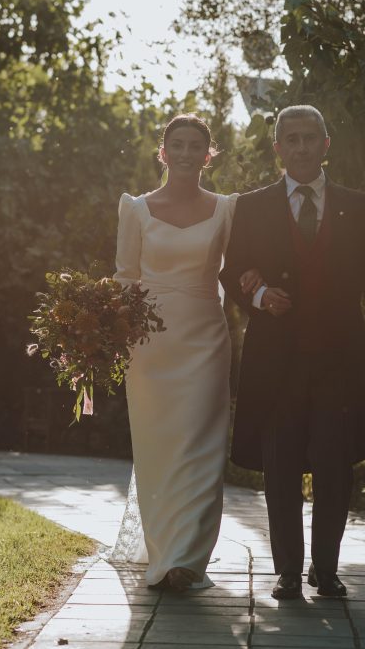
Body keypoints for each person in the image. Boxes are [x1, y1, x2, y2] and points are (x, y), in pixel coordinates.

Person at [219, 104, 365, 600]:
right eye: (290, 139)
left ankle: (327, 568)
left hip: (339, 360)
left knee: (333, 465)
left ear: (326, 144)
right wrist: (257, 296)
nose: (300, 147)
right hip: (277, 362)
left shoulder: (359, 206)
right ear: (277, 148)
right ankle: (288, 572)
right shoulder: (252, 206)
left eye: (309, 138)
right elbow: (231, 270)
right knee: (280, 469)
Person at [111, 113, 261, 592]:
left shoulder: (227, 209)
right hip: (150, 347)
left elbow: (239, 270)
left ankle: (187, 559)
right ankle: (163, 552)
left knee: (201, 448)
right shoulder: (135, 210)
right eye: (177, 145)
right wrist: (104, 331)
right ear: (163, 152)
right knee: (158, 451)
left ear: (208, 155)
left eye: (195, 145)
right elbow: (126, 279)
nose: (185, 153)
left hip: (204, 338)